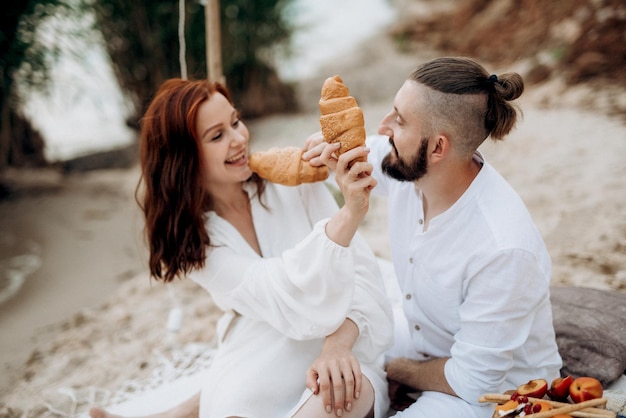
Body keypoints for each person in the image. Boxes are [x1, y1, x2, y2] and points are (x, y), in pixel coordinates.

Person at [89, 78, 393, 418]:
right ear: (184, 158)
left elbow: (364, 275)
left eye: (235, 121)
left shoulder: (291, 180)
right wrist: (349, 214)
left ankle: (179, 414)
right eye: (217, 136)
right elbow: (279, 290)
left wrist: (337, 346)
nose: (239, 139)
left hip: (345, 339)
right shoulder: (197, 244)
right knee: (231, 409)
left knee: (336, 399)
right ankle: (184, 412)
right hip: (267, 346)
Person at [303, 56, 563, 417]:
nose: (383, 127)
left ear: (438, 148)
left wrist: (397, 369)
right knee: (312, 346)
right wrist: (326, 151)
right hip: (422, 335)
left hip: (493, 395)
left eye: (399, 120)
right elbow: (361, 153)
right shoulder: (410, 163)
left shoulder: (503, 247)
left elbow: (474, 381)